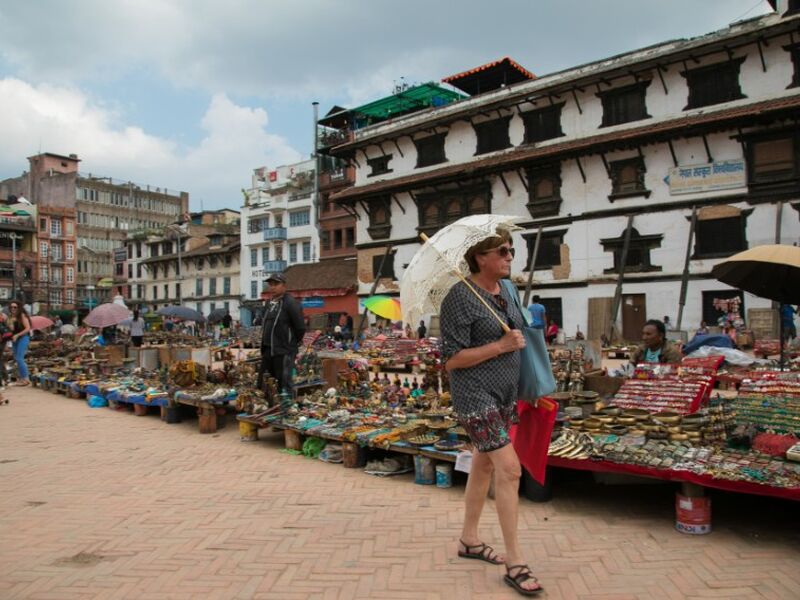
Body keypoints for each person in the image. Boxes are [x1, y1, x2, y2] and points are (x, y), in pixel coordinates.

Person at [440, 227, 543, 596]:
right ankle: (515, 562)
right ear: (480, 257)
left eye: (511, 250)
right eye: (502, 251)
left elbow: (522, 338)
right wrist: (499, 346)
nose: (509, 256)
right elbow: (451, 360)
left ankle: (469, 540)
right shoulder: (459, 297)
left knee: (483, 464)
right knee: (509, 469)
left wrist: (529, 385)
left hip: (505, 393)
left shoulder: (509, 292)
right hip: (474, 394)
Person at [258, 273, 305, 396]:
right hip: (269, 349)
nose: (272, 287)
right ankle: (268, 406)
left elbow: (300, 327)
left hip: (284, 350)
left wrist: (291, 342)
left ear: (284, 286)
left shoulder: (290, 303)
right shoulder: (269, 303)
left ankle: (287, 408)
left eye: (276, 284)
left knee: (283, 383)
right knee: (264, 381)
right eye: (271, 284)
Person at [8, 300, 32, 386]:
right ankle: (22, 379)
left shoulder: (22, 315)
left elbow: (28, 328)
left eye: (15, 307)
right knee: (17, 358)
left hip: (23, 338)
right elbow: (12, 329)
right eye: (11, 307)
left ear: (19, 308)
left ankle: (26, 379)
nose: (13, 309)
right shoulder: (10, 317)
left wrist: (17, 335)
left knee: (19, 358)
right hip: (15, 339)